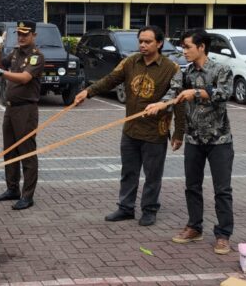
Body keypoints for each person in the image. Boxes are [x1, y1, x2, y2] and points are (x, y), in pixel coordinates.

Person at [74, 26, 185, 227]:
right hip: (131, 129)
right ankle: (126, 208)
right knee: (128, 171)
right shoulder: (130, 62)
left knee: (152, 175)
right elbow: (110, 80)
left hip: (155, 132)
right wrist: (88, 92)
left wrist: (178, 133)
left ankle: (149, 209)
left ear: (159, 43)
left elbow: (178, 99)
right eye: (140, 41)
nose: (142, 45)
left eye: (148, 41)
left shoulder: (172, 68)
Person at [145, 28, 235, 255]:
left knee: (222, 189)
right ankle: (194, 227)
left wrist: (195, 93)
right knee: (192, 186)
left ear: (201, 47)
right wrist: (159, 104)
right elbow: (174, 93)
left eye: (187, 47)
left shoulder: (220, 69)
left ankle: (223, 235)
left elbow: (224, 92)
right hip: (194, 139)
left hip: (219, 140)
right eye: (183, 47)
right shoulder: (185, 72)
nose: (184, 51)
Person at [0, 21, 43, 210]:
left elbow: (25, 78)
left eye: (25, 34)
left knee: (26, 152)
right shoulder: (16, 52)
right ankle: (12, 189)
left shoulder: (36, 56)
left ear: (34, 35)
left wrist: (0, 72)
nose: (21, 37)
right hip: (10, 108)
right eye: (19, 33)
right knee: (9, 150)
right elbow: (1, 63)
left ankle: (27, 196)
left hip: (26, 110)